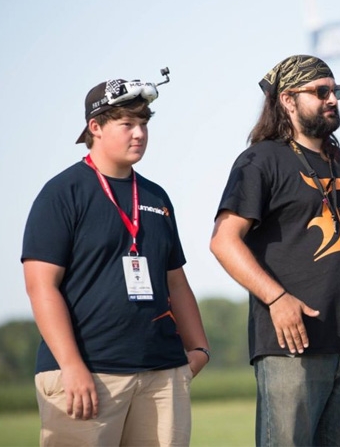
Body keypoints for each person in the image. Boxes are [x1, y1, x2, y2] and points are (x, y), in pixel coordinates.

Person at [210, 54, 340, 446]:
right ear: (287, 99)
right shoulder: (260, 159)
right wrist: (277, 298)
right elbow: (223, 241)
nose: (332, 98)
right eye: (321, 91)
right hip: (291, 346)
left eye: (336, 91)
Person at [22, 73, 210, 446]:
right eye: (127, 124)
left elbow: (176, 282)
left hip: (162, 373)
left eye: (143, 124)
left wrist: (200, 349)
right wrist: (71, 367)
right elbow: (40, 286)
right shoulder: (62, 193)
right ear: (95, 127)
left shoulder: (156, 197)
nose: (139, 133)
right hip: (89, 375)